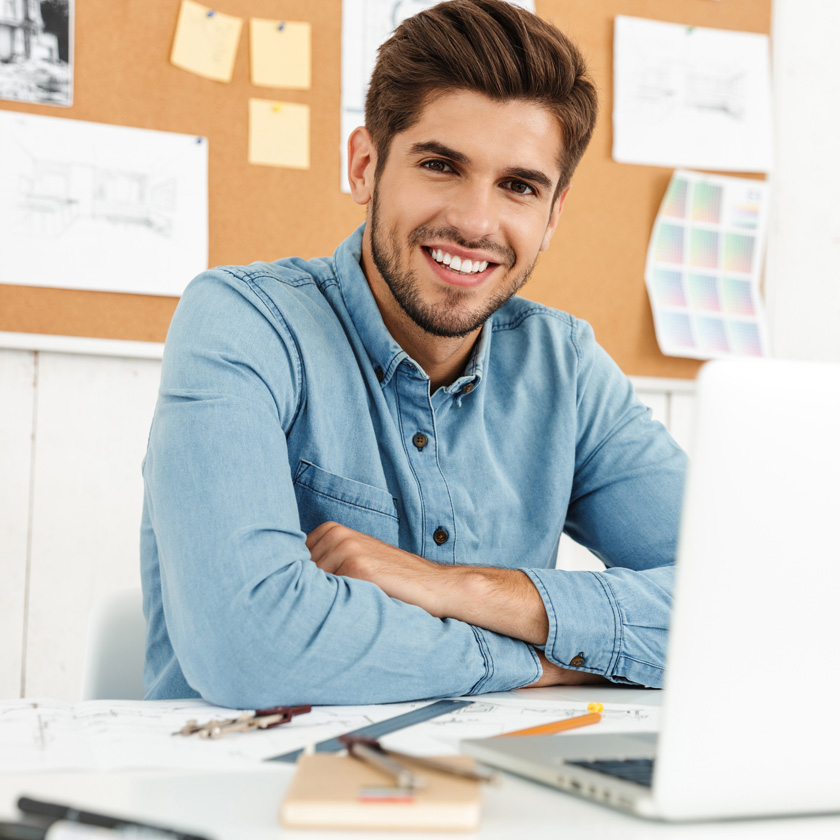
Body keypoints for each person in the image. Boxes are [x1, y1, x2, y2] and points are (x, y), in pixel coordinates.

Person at [140, 0, 686, 708]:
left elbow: (755, 599)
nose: (474, 221)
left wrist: (467, 588)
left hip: (487, 793)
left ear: (552, 217)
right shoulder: (242, 323)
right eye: (440, 165)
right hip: (244, 793)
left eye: (518, 186)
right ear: (365, 166)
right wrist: (549, 659)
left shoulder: (566, 369)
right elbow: (252, 648)